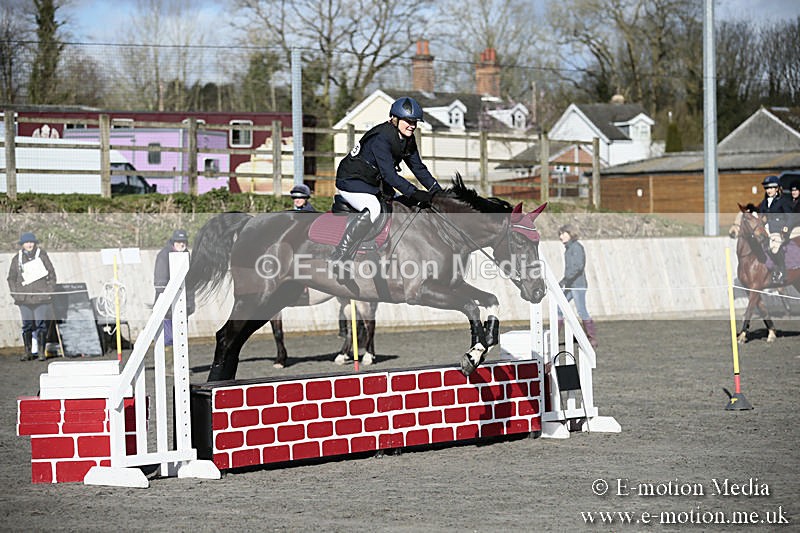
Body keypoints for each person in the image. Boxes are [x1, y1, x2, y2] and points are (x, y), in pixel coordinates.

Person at [330, 96, 442, 266]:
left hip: (374, 182)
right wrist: (415, 192)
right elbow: (390, 175)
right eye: (408, 121)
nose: (412, 125)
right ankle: (340, 254)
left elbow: (418, 168)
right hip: (351, 181)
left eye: (415, 122)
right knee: (374, 208)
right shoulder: (381, 137)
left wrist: (437, 192)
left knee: (401, 206)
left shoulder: (408, 139)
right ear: (395, 119)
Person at [7, 232, 57, 361]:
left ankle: (41, 352)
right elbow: (11, 278)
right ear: (22, 244)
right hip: (24, 299)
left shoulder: (42, 255)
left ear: (34, 243)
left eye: (31, 242)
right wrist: (16, 294)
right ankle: (28, 352)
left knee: (41, 324)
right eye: (26, 242)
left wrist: (48, 291)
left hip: (41, 298)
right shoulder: (16, 259)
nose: (29, 245)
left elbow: (51, 275)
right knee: (27, 325)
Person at [557, 224, 597, 348]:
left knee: (581, 310)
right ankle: (555, 336)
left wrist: (565, 280)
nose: (561, 236)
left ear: (570, 234)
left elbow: (578, 267)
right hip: (570, 283)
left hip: (577, 284)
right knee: (559, 308)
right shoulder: (569, 248)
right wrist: (565, 280)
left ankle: (592, 338)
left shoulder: (576, 247)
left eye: (563, 234)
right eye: (560, 234)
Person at [153, 229, 195, 346]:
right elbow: (161, 282)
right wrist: (166, 304)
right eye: (178, 241)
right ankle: (167, 361)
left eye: (184, 242)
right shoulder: (163, 255)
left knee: (181, 340)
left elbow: (190, 281)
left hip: (183, 304)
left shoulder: (186, 255)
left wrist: (190, 303)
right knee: (167, 339)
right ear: (173, 242)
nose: (181, 244)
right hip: (167, 306)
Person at [757, 175, 792, 284]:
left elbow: (790, 216)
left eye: (771, 188)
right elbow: (760, 215)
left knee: (774, 248)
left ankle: (782, 271)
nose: (769, 190)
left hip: (778, 230)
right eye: (767, 188)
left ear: (777, 189)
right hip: (766, 230)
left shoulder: (783, 201)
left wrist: (786, 227)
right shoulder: (764, 202)